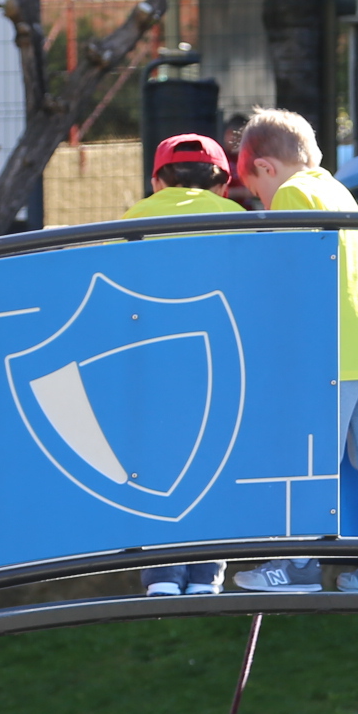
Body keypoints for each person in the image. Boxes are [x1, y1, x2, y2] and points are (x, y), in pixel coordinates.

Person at [224, 110, 358, 594]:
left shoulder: (293, 194)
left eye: (257, 194)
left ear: (265, 168)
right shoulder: (338, 191)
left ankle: (297, 565)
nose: (262, 203)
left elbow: (287, 275)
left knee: (306, 458)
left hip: (322, 349)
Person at [135, 136, 246, 597]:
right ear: (223, 185)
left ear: (157, 180)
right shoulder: (241, 221)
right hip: (223, 359)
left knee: (155, 461)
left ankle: (162, 572)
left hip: (152, 359)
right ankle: (207, 575)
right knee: (215, 458)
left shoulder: (134, 218)